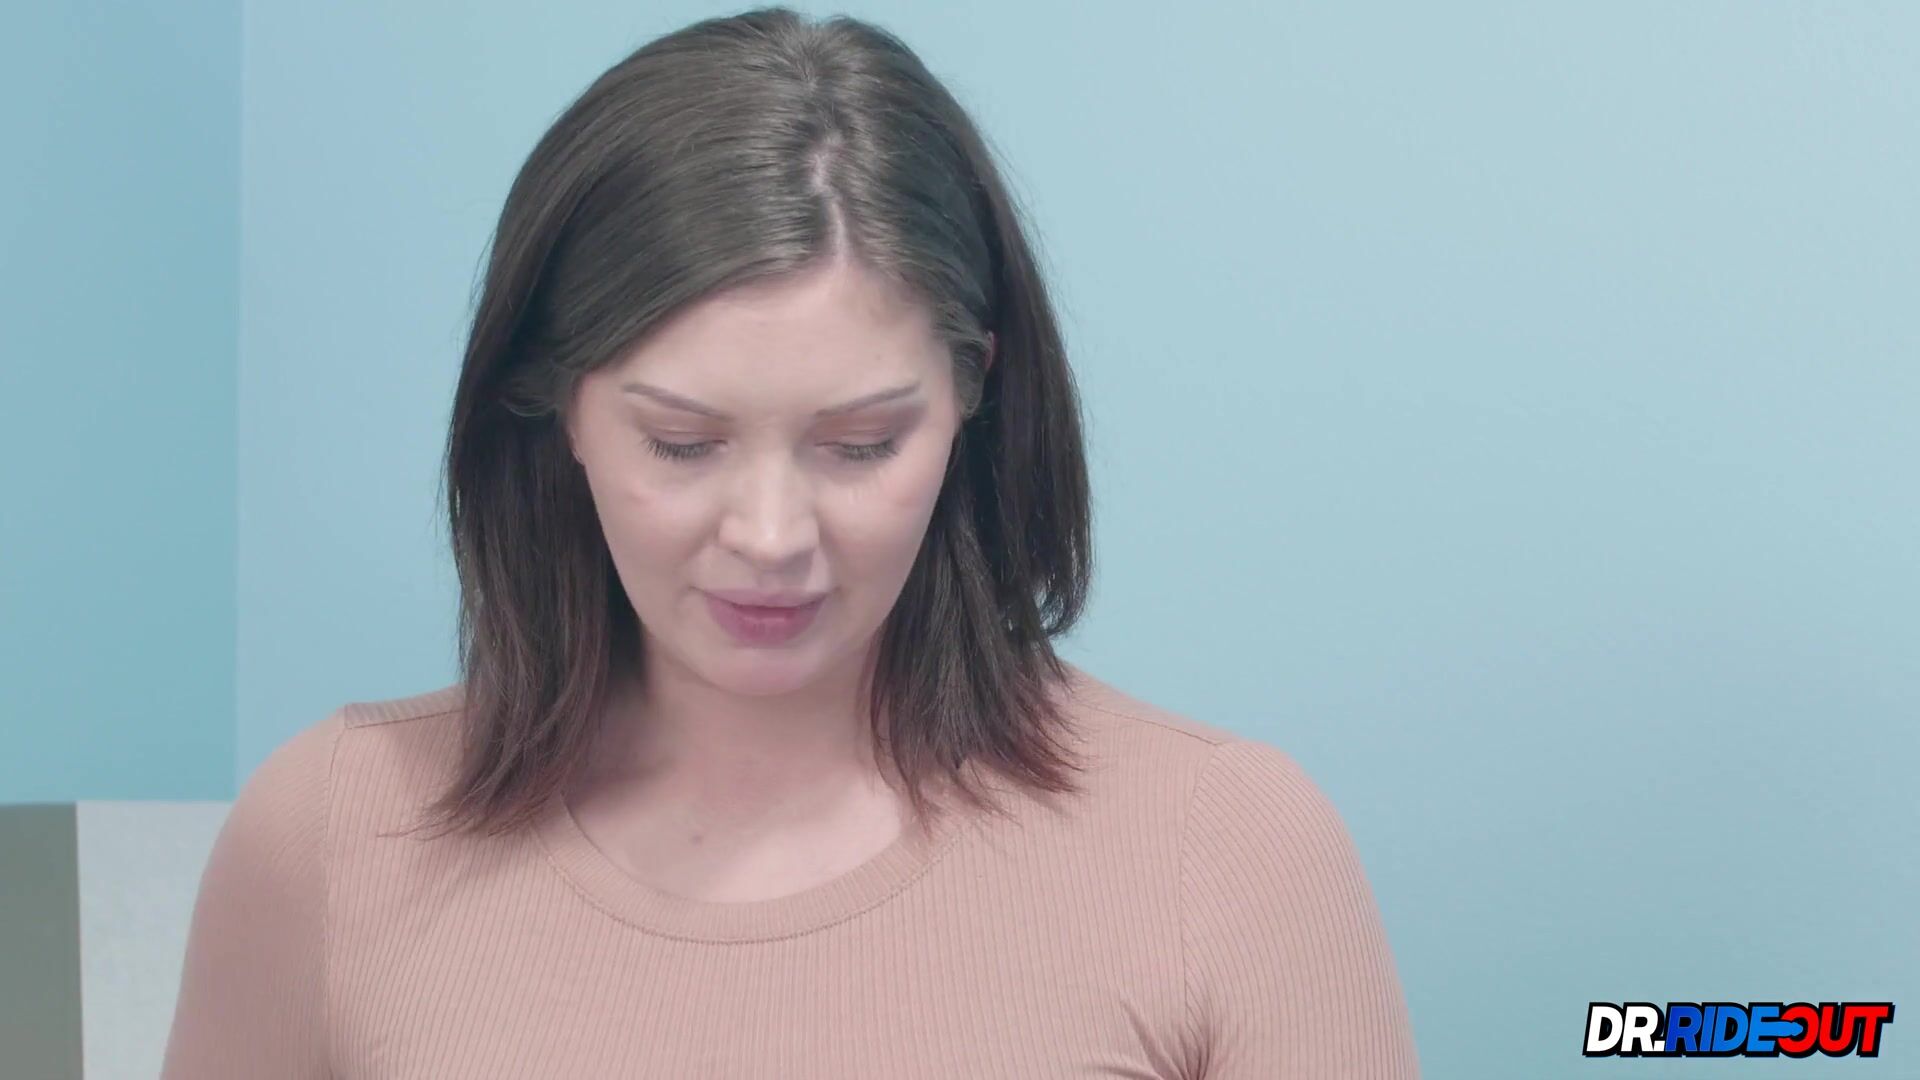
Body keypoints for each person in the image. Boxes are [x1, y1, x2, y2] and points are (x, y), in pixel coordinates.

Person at [161, 7, 1419, 1077]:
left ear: (974, 392)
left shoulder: (1228, 851)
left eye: (861, 445)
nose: (771, 538)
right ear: (558, 409)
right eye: (682, 443)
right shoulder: (327, 839)